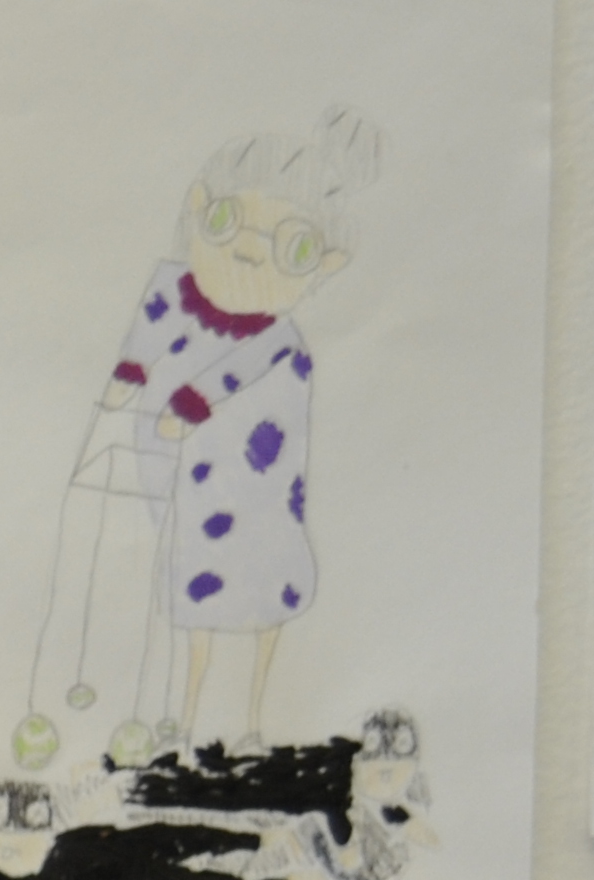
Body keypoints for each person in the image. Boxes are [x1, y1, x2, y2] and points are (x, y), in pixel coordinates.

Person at [85, 113, 376, 760]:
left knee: (259, 589)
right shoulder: (170, 286)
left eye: (291, 246)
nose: (248, 250)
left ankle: (252, 719)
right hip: (175, 472)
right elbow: (146, 335)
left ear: (323, 264)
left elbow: (237, 373)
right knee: (191, 589)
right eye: (227, 220)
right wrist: (129, 375)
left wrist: (188, 406)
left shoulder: (280, 339)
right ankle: (186, 720)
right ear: (198, 208)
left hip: (251, 485)